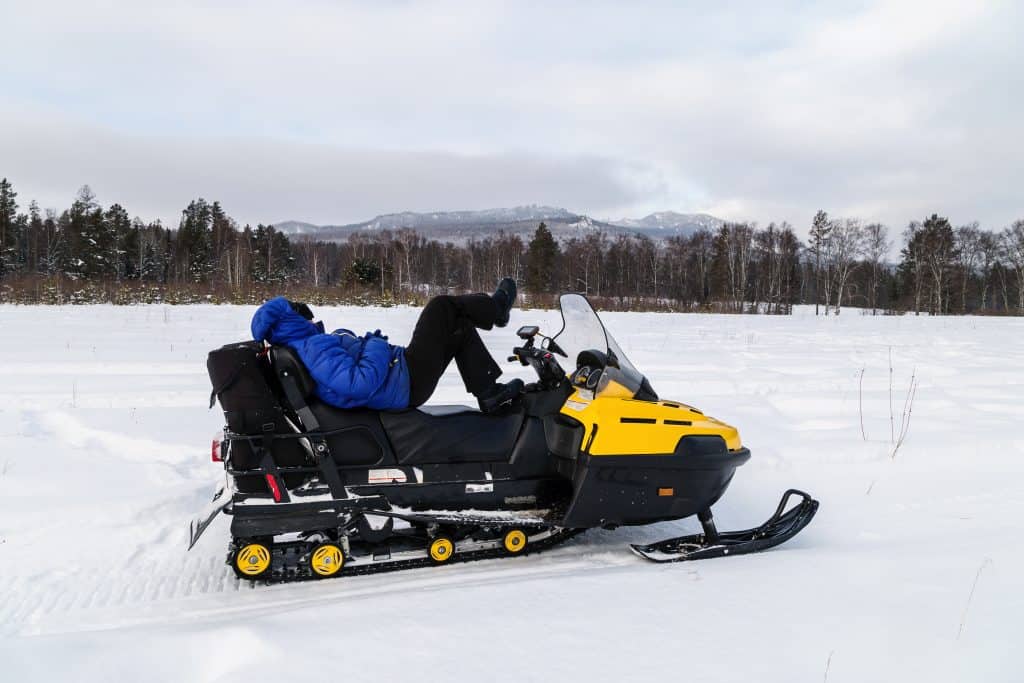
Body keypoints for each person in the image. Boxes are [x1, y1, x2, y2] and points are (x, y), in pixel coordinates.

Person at [250, 278, 523, 413]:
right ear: (287, 320)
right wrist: (375, 344)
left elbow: (343, 367)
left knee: (458, 325)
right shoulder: (312, 348)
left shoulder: (310, 344)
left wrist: (349, 338)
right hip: (405, 383)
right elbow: (360, 383)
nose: (303, 311)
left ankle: (489, 393)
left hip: (399, 377)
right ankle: (496, 308)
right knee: (441, 307)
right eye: (294, 309)